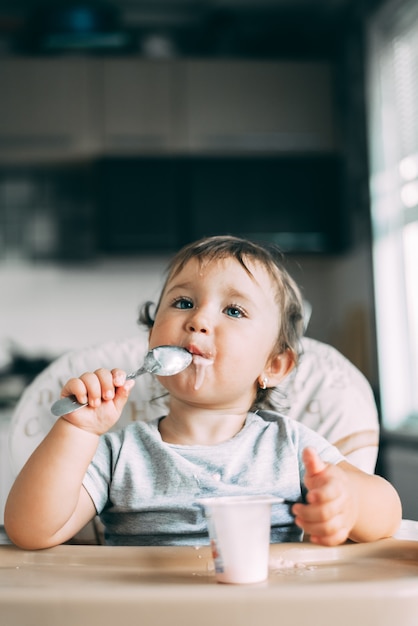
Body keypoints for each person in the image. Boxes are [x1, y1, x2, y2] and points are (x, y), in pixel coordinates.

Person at [4, 235, 401, 550]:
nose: (198, 319)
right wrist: (77, 430)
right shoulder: (118, 453)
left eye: (233, 311)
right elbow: (31, 530)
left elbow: (388, 512)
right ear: (151, 339)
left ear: (273, 365)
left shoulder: (290, 446)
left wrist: (346, 503)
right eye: (183, 302)